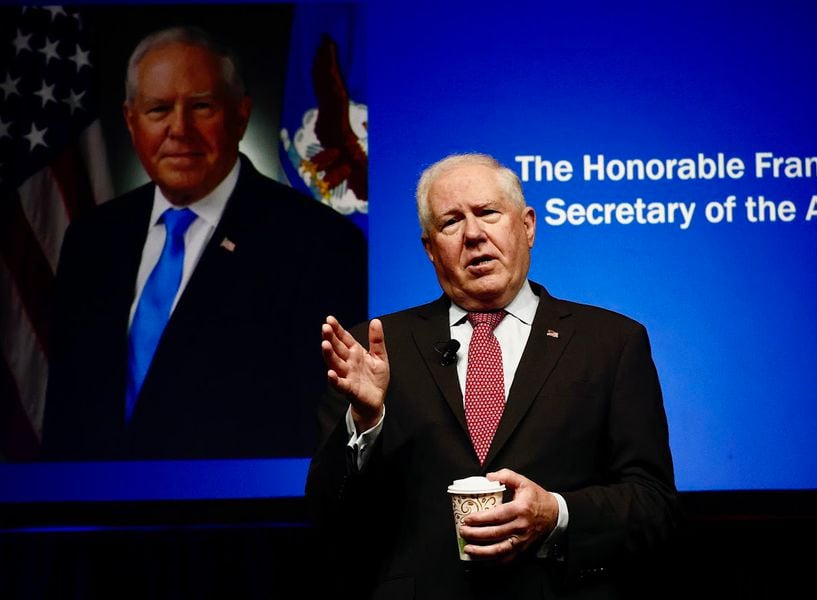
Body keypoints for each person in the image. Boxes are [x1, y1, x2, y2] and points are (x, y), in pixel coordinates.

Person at [306, 153, 677, 598]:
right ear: (429, 248)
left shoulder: (611, 342)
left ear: (527, 226)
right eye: (450, 223)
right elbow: (327, 514)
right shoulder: (373, 345)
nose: (474, 235)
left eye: (487, 213)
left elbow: (654, 507)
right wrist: (367, 423)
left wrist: (555, 514)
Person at [41, 27, 366, 460]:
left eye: (201, 107)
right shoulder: (91, 239)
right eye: (158, 109)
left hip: (245, 518)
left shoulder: (318, 241)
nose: (180, 129)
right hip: (95, 516)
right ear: (131, 120)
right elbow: (68, 410)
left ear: (241, 115)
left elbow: (323, 426)